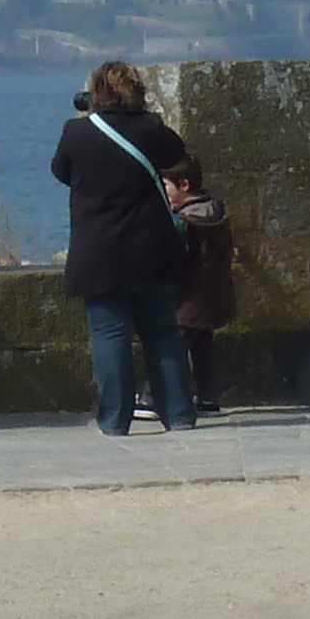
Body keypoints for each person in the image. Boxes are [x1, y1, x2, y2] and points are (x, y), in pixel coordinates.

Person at [51, 60, 194, 435]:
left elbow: (60, 171)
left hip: (98, 252)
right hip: (151, 248)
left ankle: (115, 420)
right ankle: (178, 413)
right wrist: (145, 117)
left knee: (110, 335)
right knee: (162, 332)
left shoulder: (76, 132)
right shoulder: (150, 128)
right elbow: (177, 154)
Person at [167, 156, 236, 416]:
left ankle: (153, 396)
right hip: (213, 295)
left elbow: (176, 259)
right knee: (202, 347)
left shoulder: (186, 222)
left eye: (167, 187)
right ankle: (208, 397)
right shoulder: (216, 212)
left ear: (184, 185)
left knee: (173, 345)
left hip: (188, 299)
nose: (165, 193)